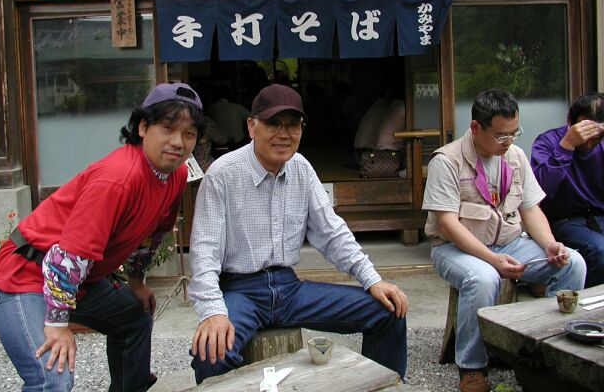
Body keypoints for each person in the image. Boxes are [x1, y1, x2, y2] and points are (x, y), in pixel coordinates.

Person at [0, 82, 206, 392]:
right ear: (143, 127)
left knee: (134, 314)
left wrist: (136, 282)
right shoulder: (119, 178)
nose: (178, 142)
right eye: (167, 128)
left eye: (189, 134)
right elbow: (68, 256)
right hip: (24, 277)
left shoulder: (176, 175)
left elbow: (150, 236)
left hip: (79, 281)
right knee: (54, 377)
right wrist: (57, 325)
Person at [188, 84, 408, 385]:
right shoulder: (223, 174)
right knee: (210, 352)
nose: (284, 134)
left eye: (292, 125)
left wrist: (373, 280)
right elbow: (205, 251)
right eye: (273, 123)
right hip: (240, 290)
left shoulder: (301, 168)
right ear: (251, 126)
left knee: (388, 311)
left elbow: (333, 234)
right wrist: (213, 311)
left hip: (289, 289)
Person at [422, 89, 586, 392]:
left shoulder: (515, 157)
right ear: (475, 127)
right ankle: (472, 367)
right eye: (500, 135)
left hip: (510, 243)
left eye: (514, 133)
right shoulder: (446, 161)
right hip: (454, 248)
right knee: (484, 278)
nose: (508, 141)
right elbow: (447, 224)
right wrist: (492, 259)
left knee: (572, 263)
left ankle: (547, 350)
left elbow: (530, 208)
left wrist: (550, 244)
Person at [531, 92, 604, 288]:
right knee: (601, 251)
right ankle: (586, 301)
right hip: (564, 221)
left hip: (599, 216)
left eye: (595, 139)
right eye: (584, 134)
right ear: (570, 120)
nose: (588, 144)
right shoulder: (548, 142)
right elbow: (539, 191)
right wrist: (567, 145)